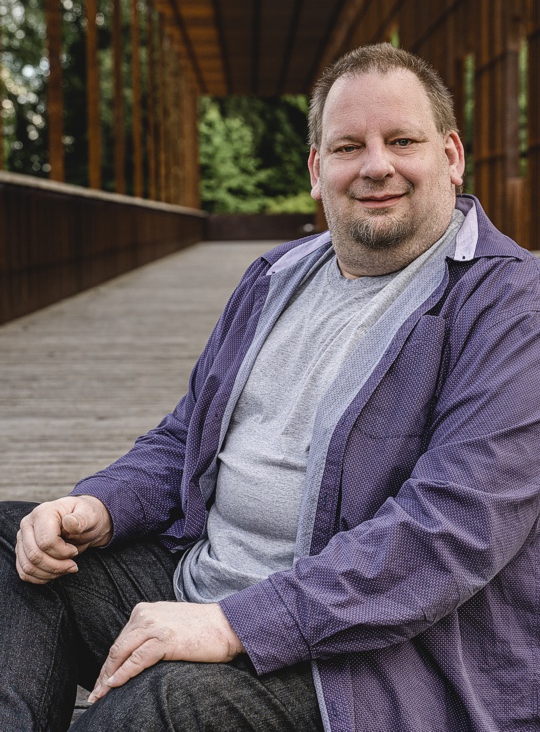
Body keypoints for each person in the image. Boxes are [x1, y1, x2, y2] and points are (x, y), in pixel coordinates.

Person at [1, 42, 539, 732]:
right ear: (318, 170)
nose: (378, 165)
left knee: (161, 706)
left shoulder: (511, 309)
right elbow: (185, 437)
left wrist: (236, 624)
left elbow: (453, 531)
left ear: (452, 156)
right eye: (349, 146)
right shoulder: (273, 278)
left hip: (366, 657)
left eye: (402, 140)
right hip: (200, 583)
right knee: (15, 546)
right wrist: (98, 504)